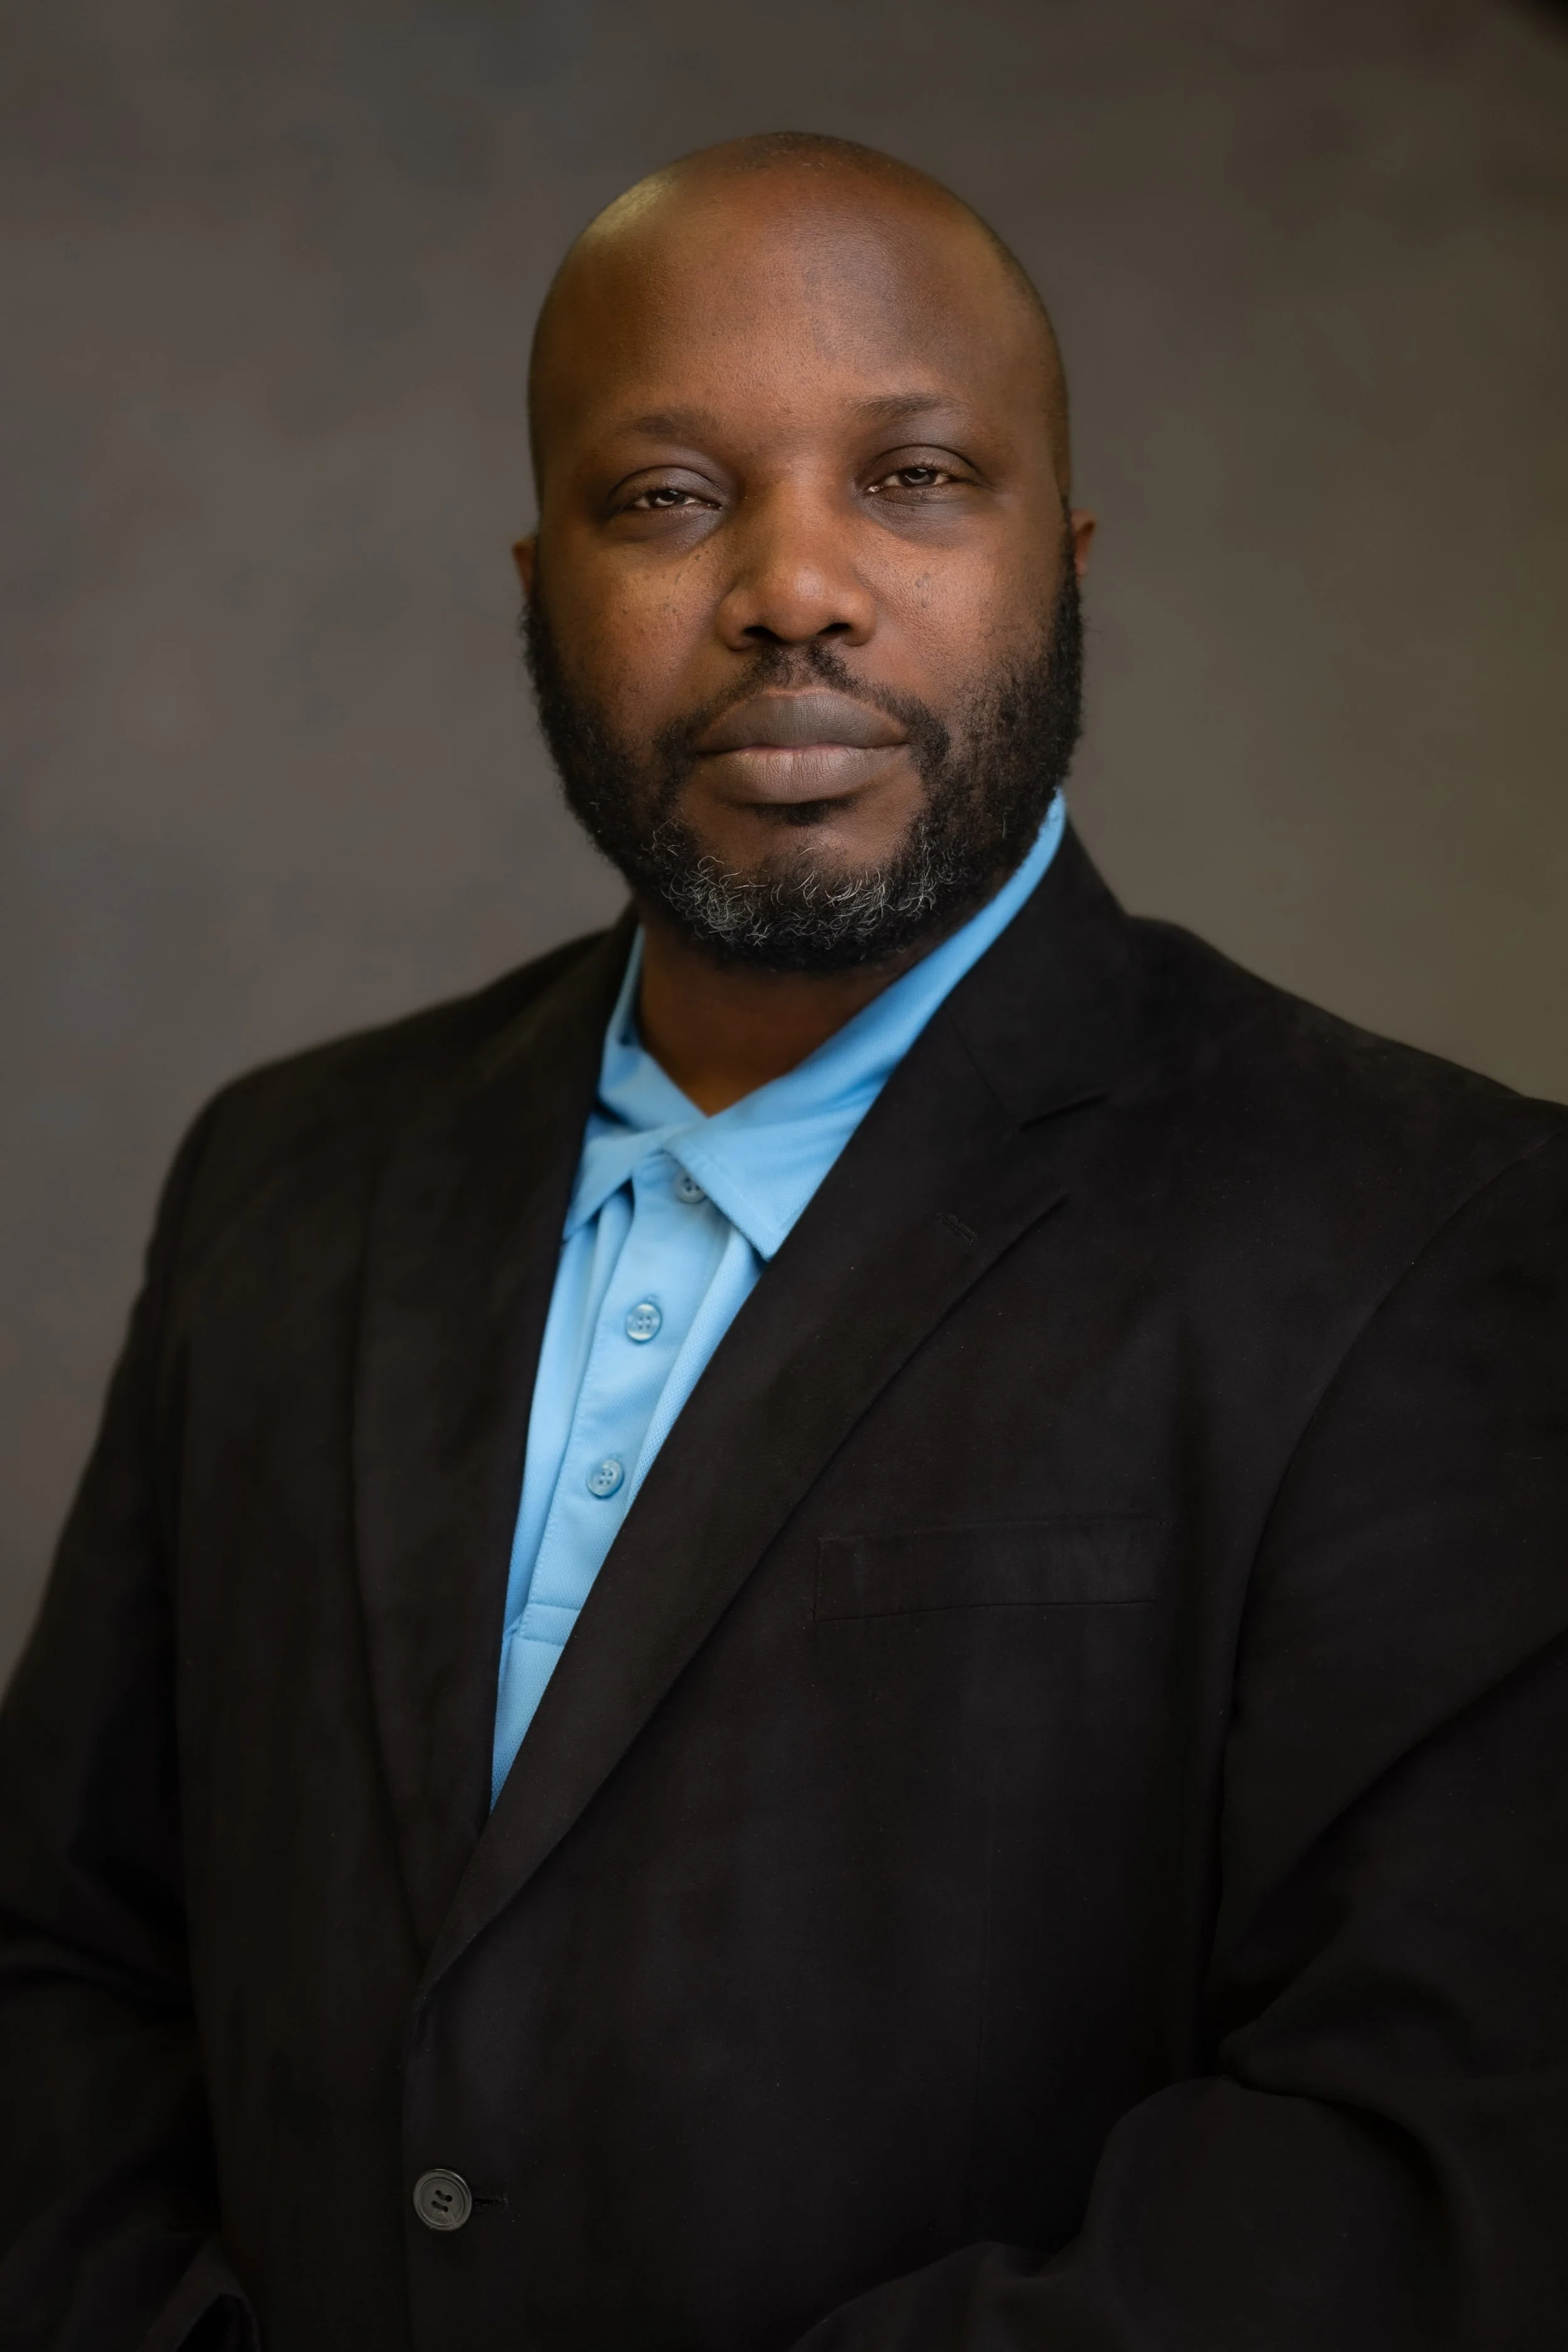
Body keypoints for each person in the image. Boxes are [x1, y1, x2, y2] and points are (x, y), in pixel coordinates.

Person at [1, 130, 1565, 2352]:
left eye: (915, 478)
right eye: (667, 497)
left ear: (1065, 554)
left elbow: (1429, 2160)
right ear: (538, 576)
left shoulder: (1438, 1234)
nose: (797, 586)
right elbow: (55, 1962)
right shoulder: (284, 1178)